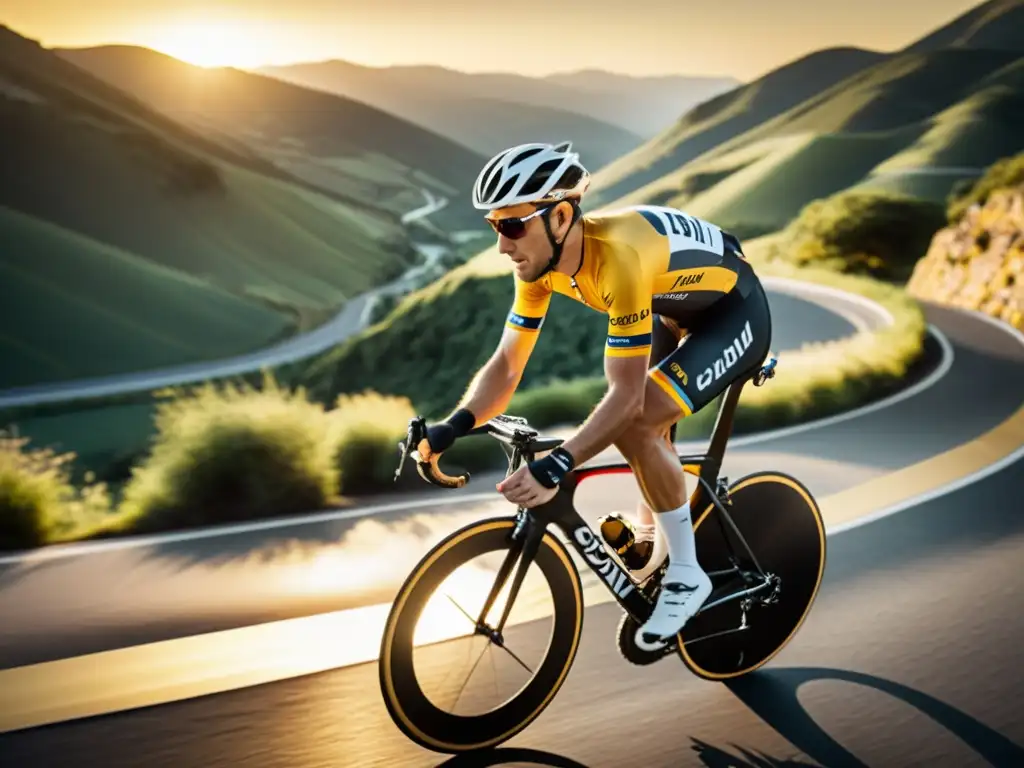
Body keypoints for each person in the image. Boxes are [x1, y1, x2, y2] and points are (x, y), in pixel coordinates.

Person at [416, 141, 773, 643]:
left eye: (513, 225)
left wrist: (559, 462)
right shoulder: (539, 267)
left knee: (639, 419)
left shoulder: (616, 258)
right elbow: (507, 366)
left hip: (732, 312)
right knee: (646, 429)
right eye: (495, 225)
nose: (502, 244)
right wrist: (453, 426)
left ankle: (688, 576)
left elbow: (625, 399)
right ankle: (653, 544)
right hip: (670, 306)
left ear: (560, 217)